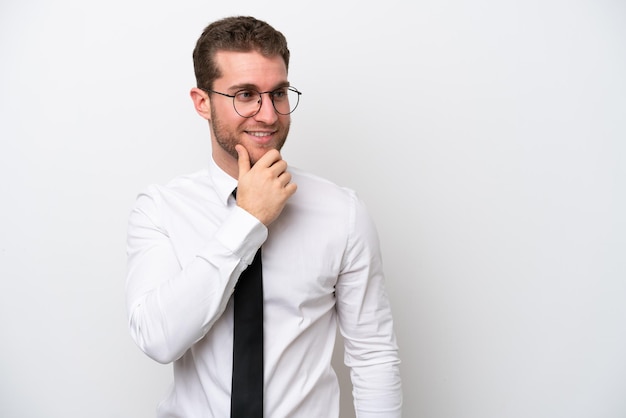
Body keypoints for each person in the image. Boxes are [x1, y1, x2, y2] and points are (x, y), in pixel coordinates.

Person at [125, 15, 402, 417]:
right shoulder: (160, 209)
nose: (269, 115)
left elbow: (374, 355)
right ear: (202, 102)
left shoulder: (341, 212)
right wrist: (247, 220)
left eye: (278, 93)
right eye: (245, 95)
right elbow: (157, 339)